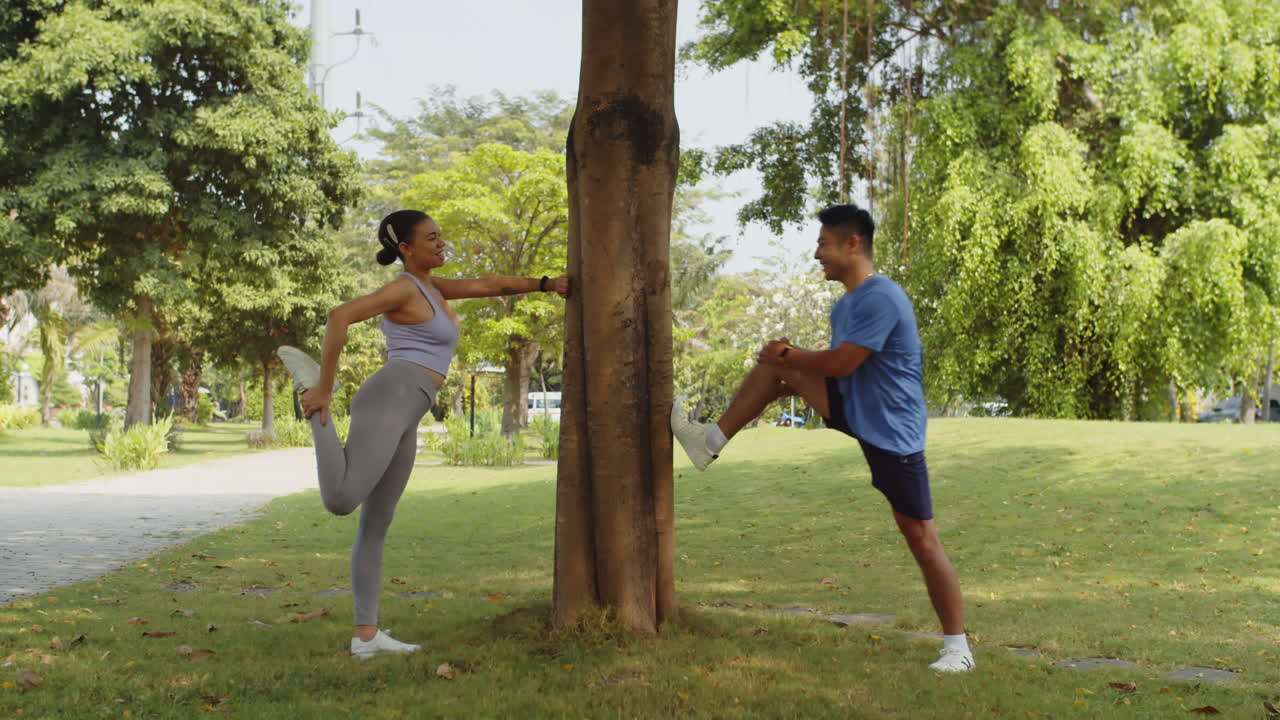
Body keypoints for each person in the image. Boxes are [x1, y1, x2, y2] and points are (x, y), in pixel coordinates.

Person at [670, 204, 973, 673]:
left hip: (893, 430)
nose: (817, 255)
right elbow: (835, 369)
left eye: (823, 244)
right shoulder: (846, 304)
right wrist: (786, 363)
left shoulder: (880, 297)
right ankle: (708, 441)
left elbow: (842, 363)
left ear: (853, 244)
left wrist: (788, 353)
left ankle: (958, 649)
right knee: (778, 370)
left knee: (921, 537)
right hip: (857, 409)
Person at [277, 209, 571, 659]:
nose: (441, 244)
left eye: (441, 237)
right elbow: (339, 316)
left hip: (409, 407)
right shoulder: (403, 288)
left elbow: (490, 284)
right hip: (391, 394)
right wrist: (325, 386)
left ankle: (366, 636)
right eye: (431, 238)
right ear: (406, 249)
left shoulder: (435, 288)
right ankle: (310, 393)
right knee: (341, 501)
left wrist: (548, 284)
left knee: (376, 524)